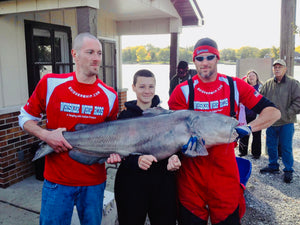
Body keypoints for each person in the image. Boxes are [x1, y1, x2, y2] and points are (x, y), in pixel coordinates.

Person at [168, 37, 281, 225]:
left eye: (209, 57)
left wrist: (248, 128)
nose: (204, 62)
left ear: (217, 58)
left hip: (224, 175)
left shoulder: (234, 85)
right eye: (199, 58)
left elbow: (273, 112)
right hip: (192, 177)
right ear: (194, 61)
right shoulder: (182, 91)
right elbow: (172, 131)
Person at [18, 32, 121, 225]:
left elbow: (113, 136)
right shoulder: (51, 84)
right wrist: (45, 135)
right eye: (90, 52)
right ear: (74, 54)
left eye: (99, 53)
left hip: (93, 182)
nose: (96, 58)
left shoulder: (110, 95)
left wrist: (114, 153)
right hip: (58, 181)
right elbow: (24, 118)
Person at [114, 69, 181, 225]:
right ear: (133, 87)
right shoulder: (124, 117)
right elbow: (117, 150)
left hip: (162, 183)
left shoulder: (167, 116)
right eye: (142, 86)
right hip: (131, 183)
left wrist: (175, 157)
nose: (147, 91)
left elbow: (178, 145)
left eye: (151, 87)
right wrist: (135, 160)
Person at [260, 59, 300, 183]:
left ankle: (288, 170)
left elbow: (298, 101)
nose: (277, 69)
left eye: (280, 67)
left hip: (286, 122)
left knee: (286, 147)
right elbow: (261, 98)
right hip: (271, 122)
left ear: (285, 69)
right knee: (271, 145)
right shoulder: (268, 83)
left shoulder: (293, 83)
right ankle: (273, 166)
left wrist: (287, 114)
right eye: (275, 67)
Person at [239, 70, 263, 159]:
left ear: (257, 77)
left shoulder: (261, 88)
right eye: (249, 75)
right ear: (247, 77)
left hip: (256, 115)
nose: (251, 77)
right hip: (245, 115)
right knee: (244, 133)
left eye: (253, 75)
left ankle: (256, 153)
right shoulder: (244, 87)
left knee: (256, 134)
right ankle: (243, 151)